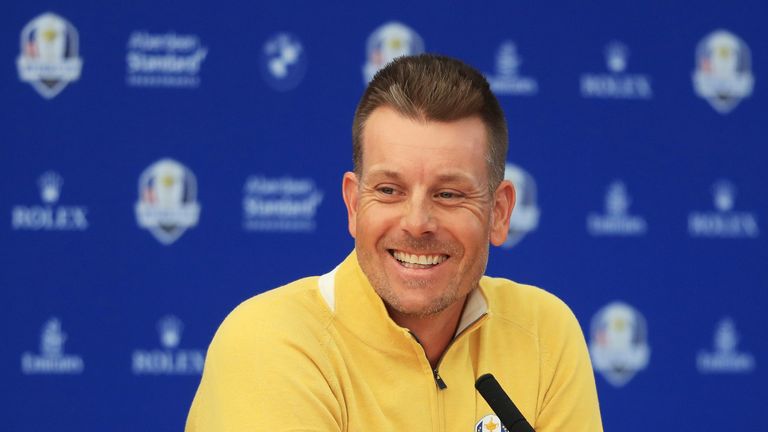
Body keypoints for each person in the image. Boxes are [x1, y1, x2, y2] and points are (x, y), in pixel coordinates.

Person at [186, 54, 603, 431]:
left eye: (449, 194)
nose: (417, 223)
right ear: (352, 205)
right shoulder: (270, 341)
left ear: (499, 213)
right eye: (389, 190)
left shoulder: (543, 332)